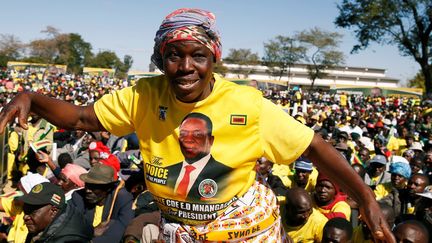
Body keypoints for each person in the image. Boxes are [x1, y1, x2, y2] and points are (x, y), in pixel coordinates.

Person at [0, 8, 394, 242]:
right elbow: (83, 117)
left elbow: (314, 147)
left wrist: (367, 199)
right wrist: (33, 99)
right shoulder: (143, 96)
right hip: (181, 227)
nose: (186, 67)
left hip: (243, 228)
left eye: (198, 55)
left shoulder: (247, 104)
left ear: (214, 59)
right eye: (174, 55)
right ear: (160, 58)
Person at [165, 112, 233, 201]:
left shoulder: (228, 175)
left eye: (197, 135)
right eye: (183, 134)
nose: (188, 139)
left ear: (210, 140)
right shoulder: (167, 172)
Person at [71, 164, 134, 243]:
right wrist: (92, 232)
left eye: (94, 186)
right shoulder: (78, 197)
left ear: (108, 188)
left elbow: (119, 231)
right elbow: (71, 227)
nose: (88, 190)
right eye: (87, 185)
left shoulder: (123, 199)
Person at [21, 182, 93, 242]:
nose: (25, 217)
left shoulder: (69, 239)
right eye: (25, 210)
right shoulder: (40, 226)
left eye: (32, 212)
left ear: (53, 211)